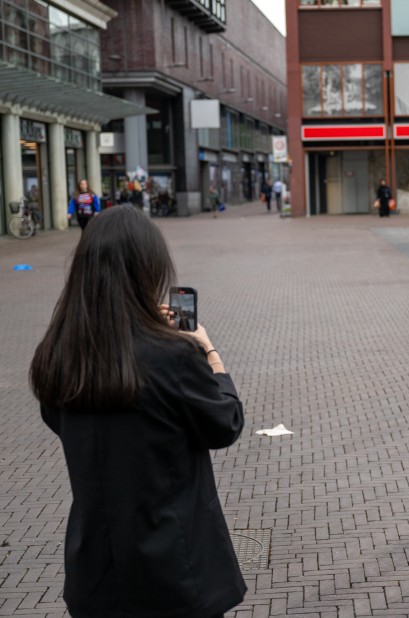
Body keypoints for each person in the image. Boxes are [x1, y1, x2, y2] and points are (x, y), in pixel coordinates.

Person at [29, 205, 246, 617]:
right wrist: (209, 351)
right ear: (147, 270)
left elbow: (60, 422)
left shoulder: (56, 355)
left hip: (96, 569)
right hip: (174, 567)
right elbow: (225, 423)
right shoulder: (173, 356)